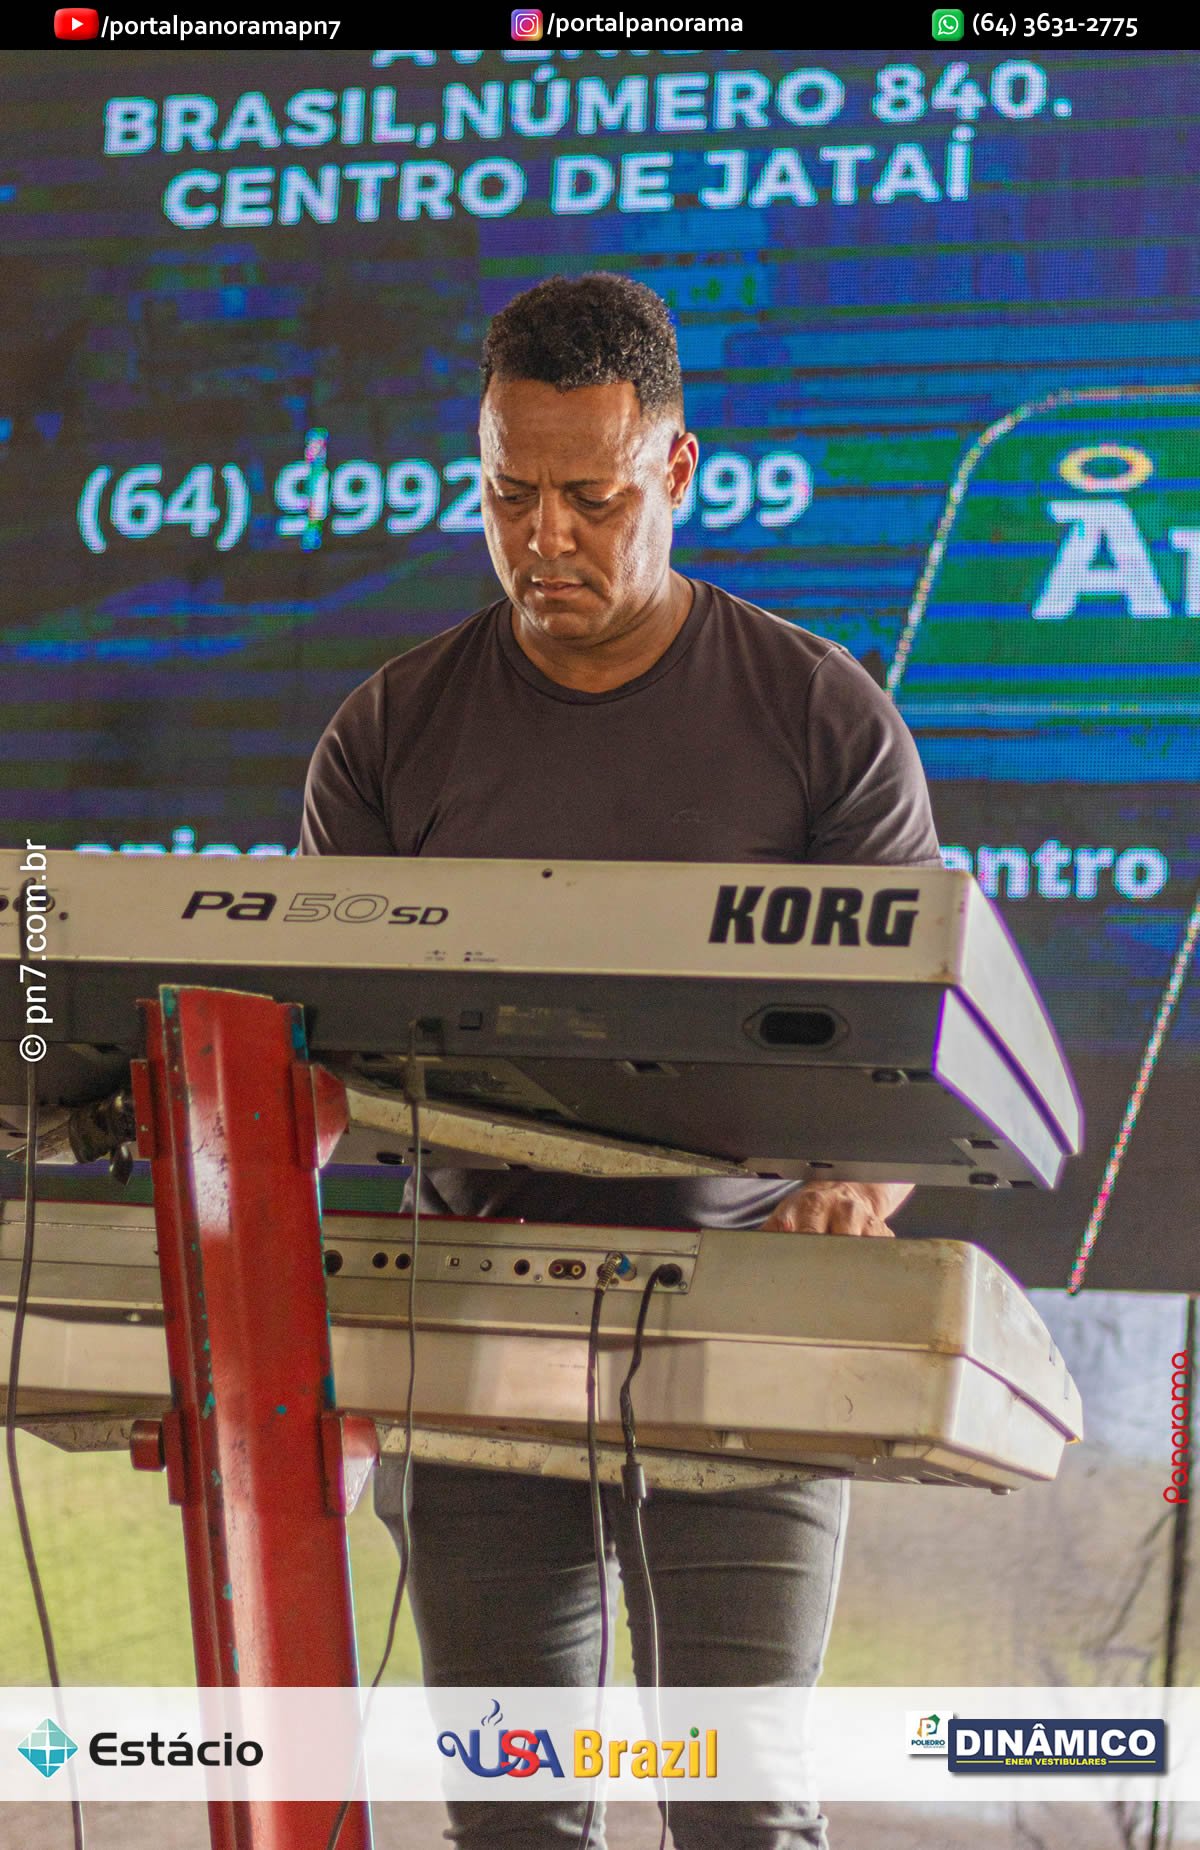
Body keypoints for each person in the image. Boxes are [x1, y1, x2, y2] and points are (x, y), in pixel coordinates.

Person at [300, 272, 941, 1849]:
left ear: (677, 467)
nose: (546, 538)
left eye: (592, 498)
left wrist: (853, 1190)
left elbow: (911, 1060)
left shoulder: (823, 720)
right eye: (508, 494)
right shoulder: (385, 734)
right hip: (476, 1333)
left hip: (746, 1339)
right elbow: (326, 1047)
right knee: (514, 1821)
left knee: (736, 1815)